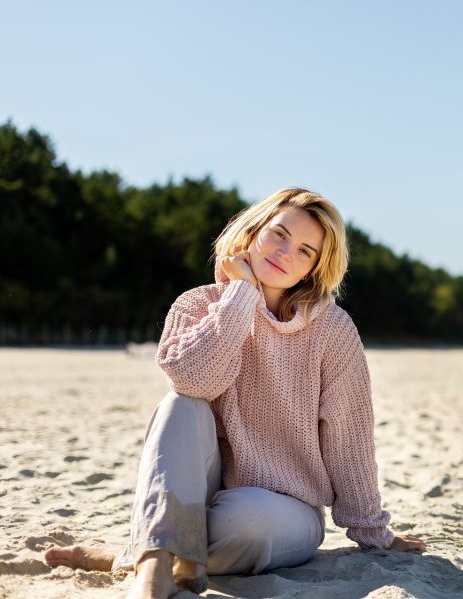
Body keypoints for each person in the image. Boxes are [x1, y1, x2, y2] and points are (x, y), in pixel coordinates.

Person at [45, 187, 426, 599]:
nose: (285, 253)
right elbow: (194, 381)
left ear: (314, 269)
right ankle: (153, 571)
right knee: (179, 403)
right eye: (279, 234)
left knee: (247, 525)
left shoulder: (332, 329)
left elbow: (348, 436)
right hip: (203, 491)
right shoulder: (196, 303)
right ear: (253, 230)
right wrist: (240, 293)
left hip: (287, 509)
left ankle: (136, 551)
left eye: (304, 251)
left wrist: (374, 531)